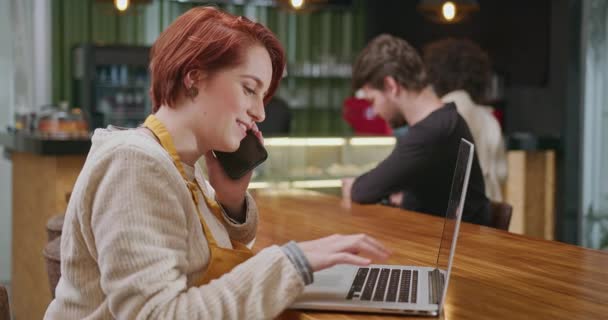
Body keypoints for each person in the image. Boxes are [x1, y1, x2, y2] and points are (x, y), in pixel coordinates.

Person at [44, 7, 390, 320]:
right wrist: (291, 262)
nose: (261, 112)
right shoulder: (135, 164)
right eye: (249, 89)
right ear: (194, 78)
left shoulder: (183, 163)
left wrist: (230, 200)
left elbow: (205, 257)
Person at [341, 34, 491, 226]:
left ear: (391, 86)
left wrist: (354, 185)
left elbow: (363, 191)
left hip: (461, 250)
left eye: (373, 100)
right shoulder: (444, 120)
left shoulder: (433, 130)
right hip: (444, 242)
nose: (375, 111)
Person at [423, 38, 508, 202]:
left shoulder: (442, 115)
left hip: (458, 215)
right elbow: (502, 173)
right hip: (488, 210)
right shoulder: (489, 119)